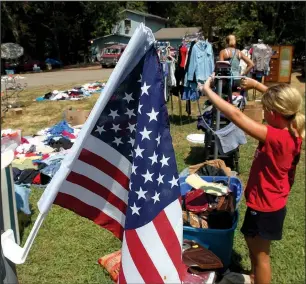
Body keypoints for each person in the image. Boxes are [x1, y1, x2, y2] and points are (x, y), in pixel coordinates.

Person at [198, 76, 304, 284]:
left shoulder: (276, 137)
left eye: (265, 110)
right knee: (254, 246)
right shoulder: (292, 129)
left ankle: (259, 278)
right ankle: (255, 277)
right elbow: (283, 102)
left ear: (274, 114)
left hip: (266, 207)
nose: (263, 114)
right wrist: (257, 85)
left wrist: (208, 91)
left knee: (261, 256)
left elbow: (236, 114)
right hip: (269, 203)